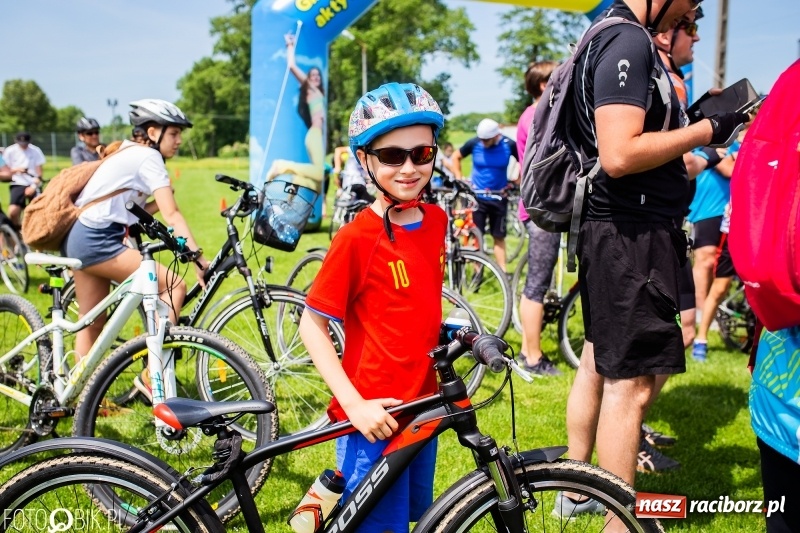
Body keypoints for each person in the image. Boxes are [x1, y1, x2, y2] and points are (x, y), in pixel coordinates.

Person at [560, 0, 749, 520]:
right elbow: (619, 154)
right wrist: (710, 131)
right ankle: (620, 521)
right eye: (689, 9)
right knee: (633, 384)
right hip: (632, 232)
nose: (693, 14)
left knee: (603, 362)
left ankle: (578, 491)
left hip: (620, 229)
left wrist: (694, 122)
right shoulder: (628, 40)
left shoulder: (611, 33)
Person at [299, 82, 446, 533]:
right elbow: (311, 325)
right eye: (391, 156)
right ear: (365, 159)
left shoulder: (436, 220)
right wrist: (355, 405)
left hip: (424, 404)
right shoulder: (357, 237)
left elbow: (412, 302)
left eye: (421, 154)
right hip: (373, 419)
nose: (408, 168)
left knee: (411, 517)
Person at [62, 99, 209, 380]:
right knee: (175, 285)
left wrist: (156, 206)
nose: (179, 140)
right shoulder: (149, 158)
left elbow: (129, 210)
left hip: (82, 235)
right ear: (153, 132)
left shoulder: (130, 152)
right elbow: (173, 214)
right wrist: (197, 258)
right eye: (174, 133)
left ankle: (75, 396)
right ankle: (151, 377)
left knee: (92, 322)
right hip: (97, 239)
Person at [515, 60, 562, 376]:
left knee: (539, 281)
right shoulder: (538, 115)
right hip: (541, 208)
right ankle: (531, 356)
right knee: (537, 284)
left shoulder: (535, 114)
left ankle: (528, 349)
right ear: (544, 85)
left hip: (542, 207)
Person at [451, 118, 518, 271]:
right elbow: (456, 156)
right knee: (477, 235)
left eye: (486, 140)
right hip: (477, 198)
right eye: (481, 139)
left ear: (496, 136)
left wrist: (516, 181)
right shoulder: (475, 143)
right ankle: (477, 271)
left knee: (498, 236)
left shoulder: (508, 144)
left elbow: (524, 160)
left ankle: (502, 271)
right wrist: (459, 177)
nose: (483, 142)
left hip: (499, 197)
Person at [265, 33, 326, 190]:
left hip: (315, 135)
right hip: (314, 134)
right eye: (312, 75)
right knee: (319, 173)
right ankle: (281, 165)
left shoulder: (319, 93)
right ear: (308, 80)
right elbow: (292, 66)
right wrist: (290, 45)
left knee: (317, 183)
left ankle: (296, 182)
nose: (316, 77)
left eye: (317, 75)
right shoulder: (311, 89)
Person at [2, 132, 45, 229]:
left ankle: (34, 230)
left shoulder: (35, 151)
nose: (24, 146)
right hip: (17, 182)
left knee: (38, 211)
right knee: (13, 212)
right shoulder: (10, 151)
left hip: (33, 183)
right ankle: (17, 232)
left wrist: (33, 187)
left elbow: (39, 173)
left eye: (26, 143)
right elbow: (5, 171)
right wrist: (16, 170)